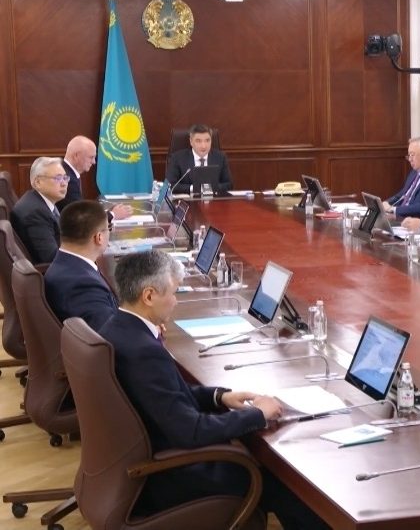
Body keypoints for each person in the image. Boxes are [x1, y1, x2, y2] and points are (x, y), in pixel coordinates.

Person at [97, 250, 328, 529]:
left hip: (141, 463)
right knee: (287, 483)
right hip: (171, 476)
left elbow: (169, 395)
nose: (175, 301)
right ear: (148, 296)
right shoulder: (143, 351)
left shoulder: (116, 328)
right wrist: (258, 415)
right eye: (173, 292)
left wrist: (220, 396)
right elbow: (191, 431)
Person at [45, 200, 117, 329]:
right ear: (99, 237)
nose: (109, 232)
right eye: (109, 228)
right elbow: (110, 334)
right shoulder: (84, 285)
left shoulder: (65, 263)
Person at [57, 135, 132, 220]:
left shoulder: (66, 171)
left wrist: (105, 212)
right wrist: (113, 215)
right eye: (91, 157)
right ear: (76, 156)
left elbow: (80, 210)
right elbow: (80, 219)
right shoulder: (67, 179)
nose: (94, 162)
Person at [11, 157, 68, 263]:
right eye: (58, 178)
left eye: (65, 178)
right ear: (38, 182)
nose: (64, 183)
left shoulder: (40, 201)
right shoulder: (36, 213)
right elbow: (51, 257)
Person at [165, 124, 233, 194]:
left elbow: (229, 184)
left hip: (214, 199)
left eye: (207, 140)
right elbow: (170, 185)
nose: (203, 146)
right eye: (198, 141)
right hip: (189, 199)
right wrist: (194, 188)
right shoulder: (177, 158)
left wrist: (210, 188)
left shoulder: (220, 157)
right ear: (191, 142)